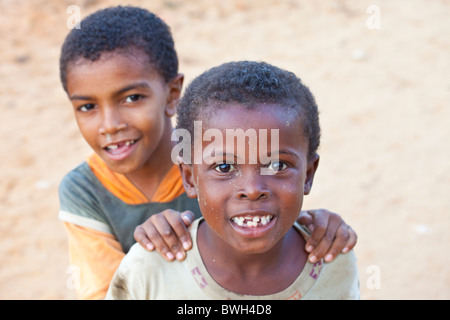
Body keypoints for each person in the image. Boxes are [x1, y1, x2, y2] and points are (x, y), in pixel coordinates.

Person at [59, 6, 357, 300]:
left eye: (133, 98)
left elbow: (271, 214)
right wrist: (153, 255)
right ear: (189, 176)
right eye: (87, 106)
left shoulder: (215, 146)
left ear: (173, 93)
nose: (111, 125)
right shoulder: (85, 191)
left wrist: (319, 226)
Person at [105, 61, 359, 300]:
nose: (252, 190)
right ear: (190, 177)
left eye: (278, 165)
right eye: (224, 167)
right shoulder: (151, 268)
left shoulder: (332, 262)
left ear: (309, 174)